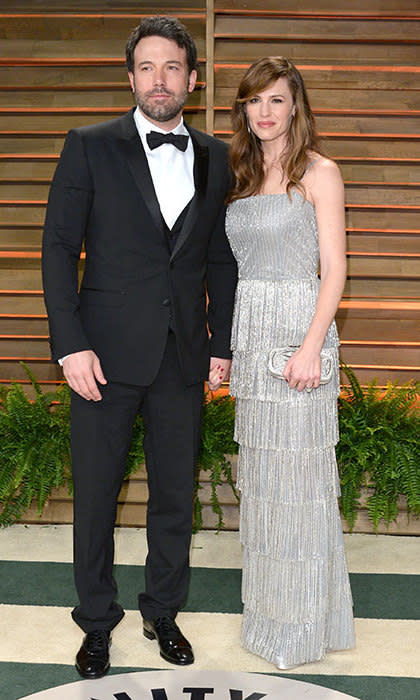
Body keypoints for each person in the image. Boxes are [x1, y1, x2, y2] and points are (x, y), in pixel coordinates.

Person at [42, 16, 237, 679]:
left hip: (183, 357)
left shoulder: (215, 155)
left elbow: (220, 259)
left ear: (192, 78)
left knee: (174, 499)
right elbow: (58, 249)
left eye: (173, 67)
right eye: (148, 67)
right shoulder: (88, 145)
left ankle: (163, 612)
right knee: (95, 498)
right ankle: (96, 624)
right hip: (101, 357)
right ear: (130, 78)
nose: (161, 79)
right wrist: (70, 346)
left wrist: (222, 343)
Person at [225, 56, 354, 668]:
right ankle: (271, 618)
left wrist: (310, 347)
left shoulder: (321, 173)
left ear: (296, 105)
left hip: (298, 337)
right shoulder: (241, 173)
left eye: (277, 100)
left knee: (301, 490)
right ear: (243, 110)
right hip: (251, 342)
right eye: (255, 102)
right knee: (266, 490)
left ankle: (303, 628)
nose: (266, 112)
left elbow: (336, 271)